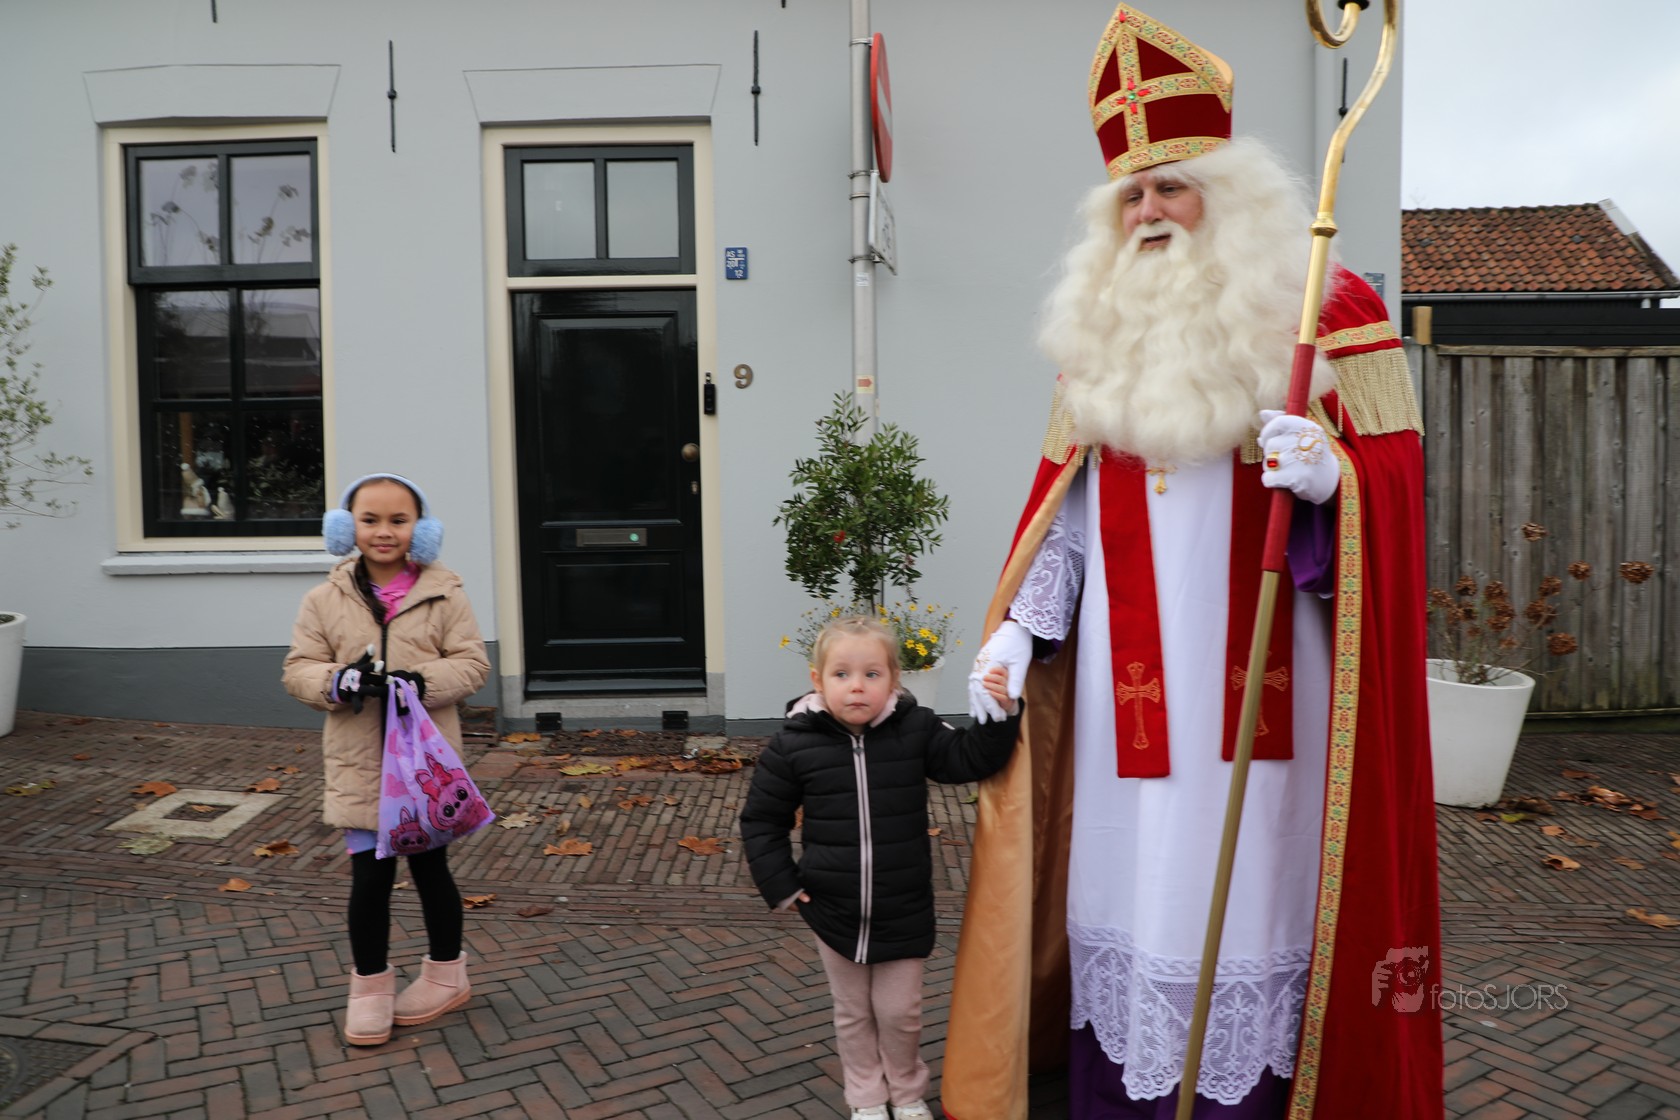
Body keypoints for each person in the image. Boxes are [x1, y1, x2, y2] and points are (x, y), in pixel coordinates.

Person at [940, 5, 1443, 1119]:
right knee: (1127, 874)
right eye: (1132, 194)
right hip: (1128, 705)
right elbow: (1068, 516)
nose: (1150, 211)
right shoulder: (1099, 335)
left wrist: (1334, 482)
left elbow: (1395, 499)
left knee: (1255, 875)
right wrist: (1019, 628)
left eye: (1172, 186)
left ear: (1229, 192)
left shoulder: (1327, 312)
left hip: (1271, 691)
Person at [740, 616, 1022, 1120]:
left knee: (900, 1013)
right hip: (833, 906)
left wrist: (1001, 714)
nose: (857, 686)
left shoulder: (916, 728)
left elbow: (968, 760)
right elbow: (762, 820)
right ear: (817, 679)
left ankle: (907, 1091)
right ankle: (866, 1097)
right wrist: (782, 884)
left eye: (872, 674)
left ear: (894, 679)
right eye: (842, 674)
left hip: (903, 904)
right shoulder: (793, 745)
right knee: (852, 1012)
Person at [282, 473, 491, 1046]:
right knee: (369, 879)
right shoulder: (324, 599)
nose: (383, 532)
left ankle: (446, 975)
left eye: (399, 521)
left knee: (430, 871)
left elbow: (473, 664)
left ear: (420, 530)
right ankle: (370, 988)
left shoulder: (445, 594)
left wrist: (420, 682)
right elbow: (298, 668)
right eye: (369, 520)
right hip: (359, 767)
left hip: (424, 768)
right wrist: (338, 681)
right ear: (344, 527)